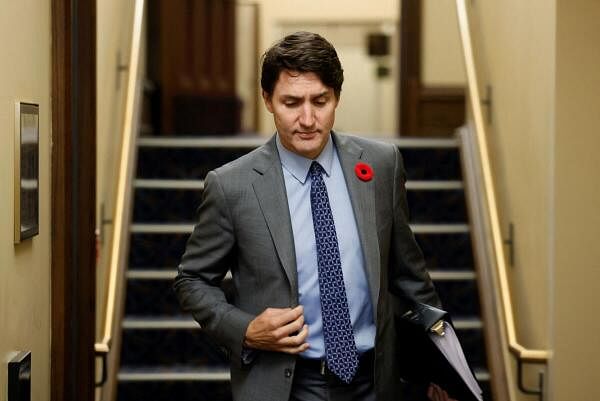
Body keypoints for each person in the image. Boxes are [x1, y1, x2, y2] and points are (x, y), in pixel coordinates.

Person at [174, 31, 479, 401]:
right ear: (268, 100)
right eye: (291, 102)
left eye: (320, 101)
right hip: (288, 384)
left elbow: (411, 276)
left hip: (377, 381)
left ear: (336, 97)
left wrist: (438, 366)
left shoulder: (381, 166)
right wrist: (246, 329)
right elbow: (191, 280)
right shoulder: (231, 186)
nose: (307, 119)